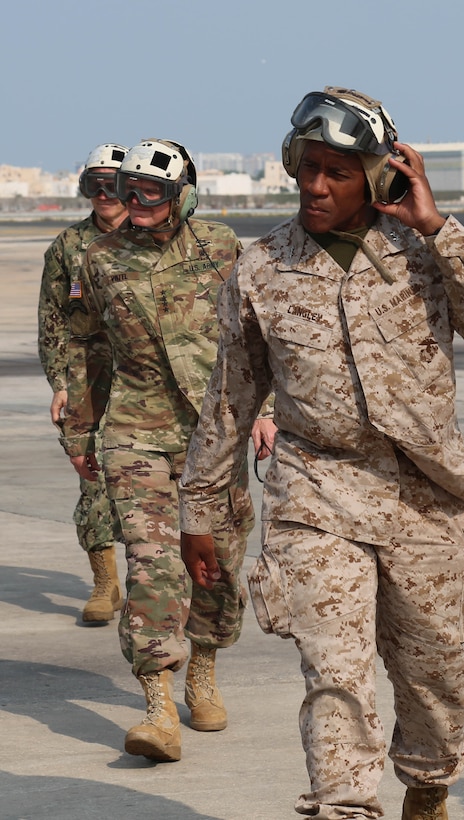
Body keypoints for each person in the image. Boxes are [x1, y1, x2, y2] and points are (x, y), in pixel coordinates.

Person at [178, 87, 464, 819]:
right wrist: (197, 511)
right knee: (334, 676)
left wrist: (439, 227)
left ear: (377, 178)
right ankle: (344, 807)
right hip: (316, 492)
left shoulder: (424, 251)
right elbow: (228, 398)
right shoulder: (261, 268)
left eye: (337, 172)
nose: (314, 185)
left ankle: (427, 787)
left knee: (433, 677)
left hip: (425, 499)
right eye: (306, 167)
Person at [59, 138, 275, 763]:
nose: (136, 202)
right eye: (127, 190)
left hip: (217, 437)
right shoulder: (98, 260)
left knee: (220, 567)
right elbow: (86, 351)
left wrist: (264, 412)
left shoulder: (223, 247)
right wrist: (80, 434)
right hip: (136, 432)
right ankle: (157, 709)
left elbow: (261, 337)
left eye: (151, 191)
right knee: (153, 564)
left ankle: (202, 669)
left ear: (183, 195)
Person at [38, 143, 129, 623]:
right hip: (87, 383)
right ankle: (105, 583)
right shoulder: (67, 247)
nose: (101, 193)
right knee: (93, 480)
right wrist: (61, 383)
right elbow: (52, 322)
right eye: (92, 183)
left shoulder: (154, 239)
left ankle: (154, 585)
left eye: (110, 182)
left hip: (148, 385)